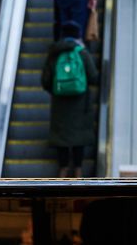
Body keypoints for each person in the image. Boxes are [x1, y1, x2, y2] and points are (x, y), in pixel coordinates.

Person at [40, 20, 99, 178]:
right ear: (78, 35)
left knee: (62, 136)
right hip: (81, 103)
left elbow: (45, 81)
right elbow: (93, 77)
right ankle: (78, 170)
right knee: (78, 135)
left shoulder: (54, 53)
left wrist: (56, 90)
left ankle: (63, 169)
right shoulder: (82, 53)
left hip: (60, 104)